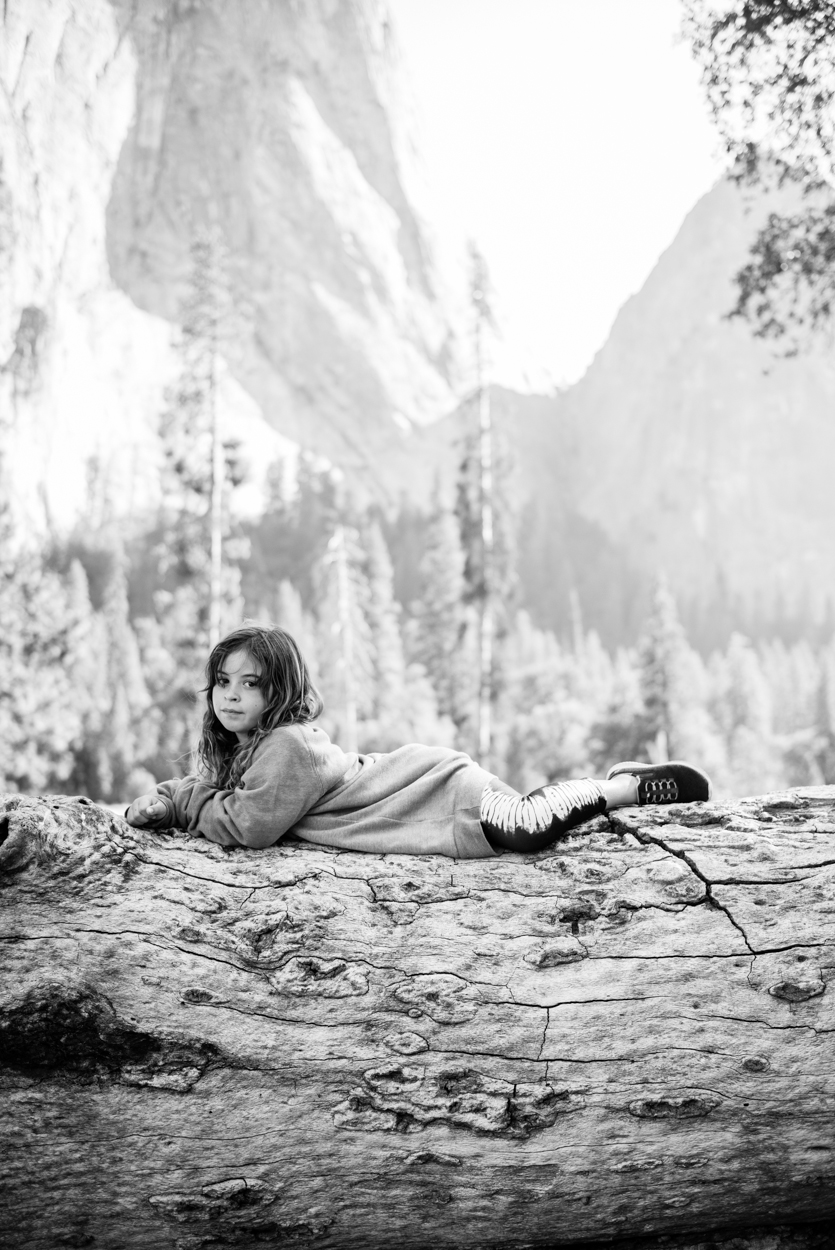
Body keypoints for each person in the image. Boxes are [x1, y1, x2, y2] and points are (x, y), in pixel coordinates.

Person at [126, 625, 711, 858]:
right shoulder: (248, 748)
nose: (231, 695)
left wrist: (184, 804)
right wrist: (170, 798)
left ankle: (621, 787)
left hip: (430, 790)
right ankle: (615, 786)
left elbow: (250, 825)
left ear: (279, 690)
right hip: (417, 801)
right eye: (223, 682)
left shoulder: (287, 746)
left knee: (526, 827)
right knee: (525, 826)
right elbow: (213, 790)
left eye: (250, 683)